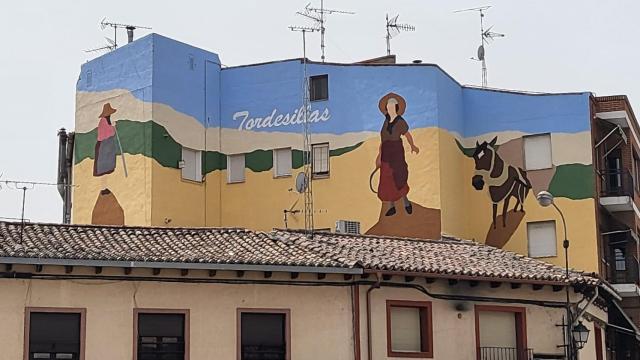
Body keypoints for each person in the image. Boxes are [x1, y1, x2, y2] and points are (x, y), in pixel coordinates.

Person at [375, 93, 420, 216]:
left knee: (399, 177)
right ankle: (391, 206)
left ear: (396, 107)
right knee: (386, 179)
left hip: (396, 153)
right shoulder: (385, 121)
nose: (389, 108)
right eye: (387, 106)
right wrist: (379, 155)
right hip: (386, 154)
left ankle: (406, 202)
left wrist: (413, 146)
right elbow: (383, 140)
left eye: (391, 106)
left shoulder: (400, 121)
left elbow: (407, 134)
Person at [93, 103, 118, 176]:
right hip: (103, 143)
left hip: (107, 142)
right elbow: (109, 132)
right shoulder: (103, 121)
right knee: (103, 157)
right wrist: (113, 127)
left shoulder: (106, 121)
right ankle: (102, 171)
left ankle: (108, 169)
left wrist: (112, 126)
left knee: (109, 155)